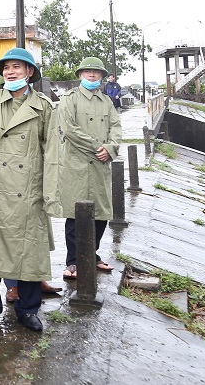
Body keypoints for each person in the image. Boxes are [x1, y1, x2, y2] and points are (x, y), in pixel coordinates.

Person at [0, 48, 59, 332]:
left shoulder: (44, 107)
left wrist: (50, 194)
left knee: (28, 252)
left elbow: (52, 153)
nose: (10, 72)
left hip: (28, 191)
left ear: (29, 72)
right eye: (6, 68)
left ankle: (28, 309)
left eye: (17, 67)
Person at [58, 57, 122, 280]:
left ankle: (91, 255)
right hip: (77, 164)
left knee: (101, 213)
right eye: (87, 72)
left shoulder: (106, 101)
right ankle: (73, 261)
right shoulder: (70, 99)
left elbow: (116, 127)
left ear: (102, 76)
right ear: (80, 75)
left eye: (96, 72)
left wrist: (111, 149)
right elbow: (69, 129)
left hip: (101, 165)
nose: (92, 75)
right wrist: (98, 147)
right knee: (75, 215)